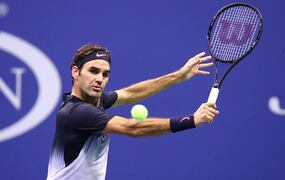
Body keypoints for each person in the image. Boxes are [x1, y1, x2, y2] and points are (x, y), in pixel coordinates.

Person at [46, 44, 219, 180]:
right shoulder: (77, 113)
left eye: (105, 74)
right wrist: (192, 120)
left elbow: (131, 93)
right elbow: (132, 128)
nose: (99, 79)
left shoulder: (95, 102)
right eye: (93, 71)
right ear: (76, 72)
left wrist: (178, 76)